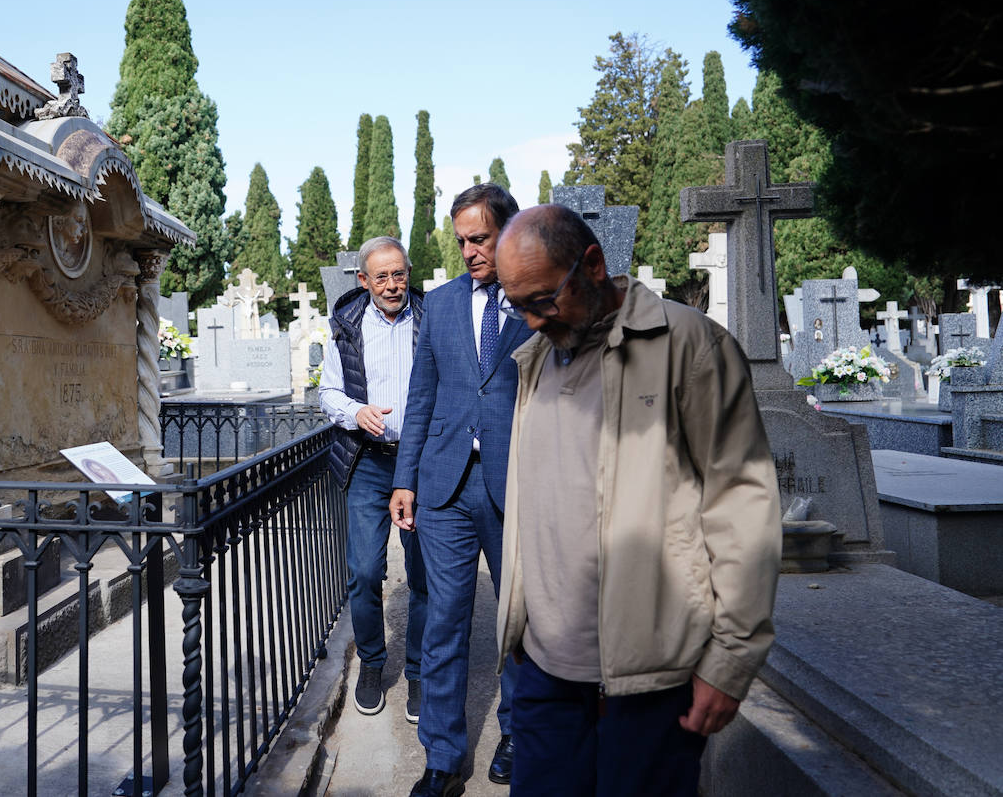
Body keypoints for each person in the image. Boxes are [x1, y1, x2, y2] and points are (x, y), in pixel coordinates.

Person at [493, 204, 782, 796]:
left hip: (652, 679)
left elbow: (742, 505)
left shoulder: (690, 345)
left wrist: (730, 661)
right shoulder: (536, 359)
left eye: (543, 300)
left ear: (593, 265)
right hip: (546, 670)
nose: (528, 322)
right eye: (515, 304)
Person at [391, 184, 529, 797]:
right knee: (443, 622)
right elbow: (421, 398)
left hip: (516, 486)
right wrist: (405, 480)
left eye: (480, 238)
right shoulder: (442, 304)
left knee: (519, 622)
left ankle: (519, 736)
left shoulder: (536, 302)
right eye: (463, 240)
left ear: (508, 232)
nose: (470, 250)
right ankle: (444, 759)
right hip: (444, 487)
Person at [320, 236, 429, 721]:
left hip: (422, 463)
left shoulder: (428, 319)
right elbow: (326, 393)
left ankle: (422, 673)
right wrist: (355, 411)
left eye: (398, 273)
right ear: (363, 280)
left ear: (409, 273)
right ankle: (372, 663)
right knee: (364, 573)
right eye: (381, 276)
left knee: (424, 573)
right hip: (368, 461)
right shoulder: (345, 328)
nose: (392, 284)